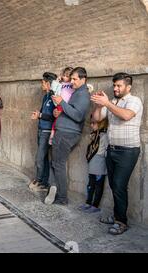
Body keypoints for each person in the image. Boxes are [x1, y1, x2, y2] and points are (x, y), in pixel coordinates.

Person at [91, 72, 143, 235]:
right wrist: (100, 105)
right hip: (111, 150)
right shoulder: (113, 101)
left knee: (119, 185)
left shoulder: (134, 101)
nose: (116, 88)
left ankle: (121, 222)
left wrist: (107, 103)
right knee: (114, 186)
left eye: (119, 85)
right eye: (114, 85)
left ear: (128, 87)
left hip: (128, 151)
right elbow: (97, 119)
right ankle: (117, 216)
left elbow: (126, 115)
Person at [44, 67, 91, 205]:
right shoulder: (78, 92)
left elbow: (78, 115)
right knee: (56, 163)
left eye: (75, 79)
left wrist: (62, 103)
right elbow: (72, 112)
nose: (72, 81)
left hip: (67, 133)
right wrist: (61, 112)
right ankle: (54, 189)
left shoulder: (83, 94)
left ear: (83, 79)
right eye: (71, 78)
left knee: (58, 164)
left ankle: (62, 197)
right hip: (64, 130)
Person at [29, 72, 57, 192]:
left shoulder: (54, 96)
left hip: (47, 131)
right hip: (41, 129)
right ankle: (43, 182)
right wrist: (39, 114)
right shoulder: (45, 96)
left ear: (49, 83)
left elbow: (53, 116)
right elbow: (44, 113)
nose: (42, 85)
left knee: (40, 158)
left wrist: (40, 115)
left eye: (43, 83)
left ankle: (41, 180)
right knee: (43, 157)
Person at [78, 117, 108, 213]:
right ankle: (88, 202)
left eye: (93, 123)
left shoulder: (104, 136)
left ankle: (95, 205)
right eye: (91, 123)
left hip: (100, 163)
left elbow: (105, 151)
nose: (91, 125)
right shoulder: (93, 135)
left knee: (98, 185)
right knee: (90, 184)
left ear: (101, 123)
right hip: (92, 163)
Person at [49, 67, 74, 145]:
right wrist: (57, 80)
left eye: (67, 76)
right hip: (59, 103)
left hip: (67, 104)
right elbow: (53, 89)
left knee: (62, 120)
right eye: (64, 75)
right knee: (56, 120)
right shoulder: (61, 84)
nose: (64, 77)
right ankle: (52, 134)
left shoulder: (72, 84)